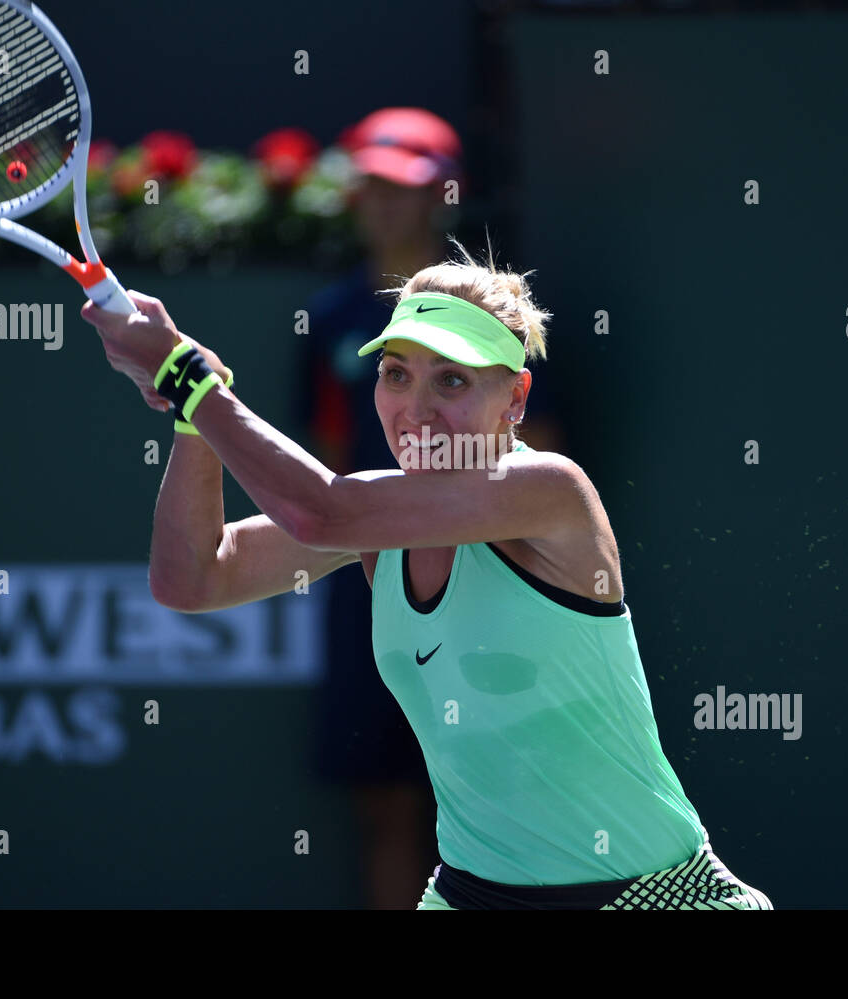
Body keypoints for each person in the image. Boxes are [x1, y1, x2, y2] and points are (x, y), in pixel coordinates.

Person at [81, 239, 773, 910]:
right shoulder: (376, 518)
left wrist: (188, 379)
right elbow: (195, 578)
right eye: (396, 373)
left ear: (516, 397)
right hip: (470, 892)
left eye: (452, 380)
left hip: (644, 898)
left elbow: (319, 512)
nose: (415, 409)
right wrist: (193, 418)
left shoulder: (550, 491)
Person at [299, 107, 566, 908]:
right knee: (387, 807)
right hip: (371, 597)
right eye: (372, 185)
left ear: (444, 196)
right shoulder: (329, 319)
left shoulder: (495, 323)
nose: (385, 204)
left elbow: (538, 468)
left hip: (497, 604)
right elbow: (321, 474)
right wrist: (193, 405)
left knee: (511, 819)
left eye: (403, 187)